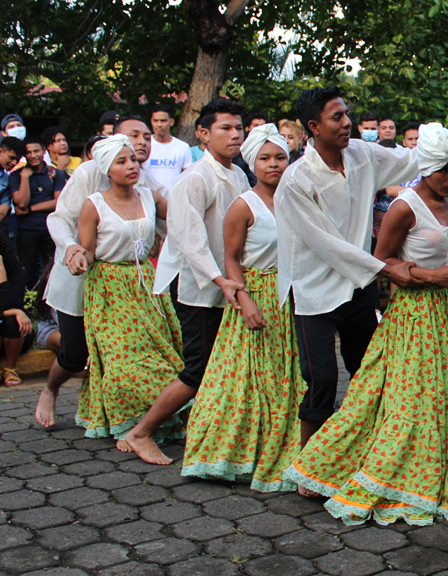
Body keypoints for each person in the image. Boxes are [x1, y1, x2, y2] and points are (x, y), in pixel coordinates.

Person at [286, 80, 448, 518]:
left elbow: (414, 160)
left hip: (361, 286)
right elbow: (326, 243)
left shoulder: (363, 156)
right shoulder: (297, 180)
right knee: (323, 378)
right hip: (317, 288)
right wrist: (402, 270)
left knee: (375, 380)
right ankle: (312, 466)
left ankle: (367, 453)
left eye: (347, 113)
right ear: (313, 127)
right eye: (337, 117)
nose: (347, 122)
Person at [120, 100, 249, 466]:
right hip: (197, 284)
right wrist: (222, 279)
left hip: (225, 281)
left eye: (239, 127)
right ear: (203, 135)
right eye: (226, 128)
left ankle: (212, 431)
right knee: (198, 366)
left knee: (220, 362)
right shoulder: (194, 178)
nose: (235, 134)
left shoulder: (237, 175)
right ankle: (141, 432)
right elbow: (191, 241)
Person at [182, 124, 306, 492]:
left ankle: (288, 445)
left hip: (292, 296)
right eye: (265, 158)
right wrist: (243, 299)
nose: (274, 165)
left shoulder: (297, 200)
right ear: (252, 162)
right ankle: (235, 451)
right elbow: (230, 259)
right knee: (247, 378)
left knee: (288, 377)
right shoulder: (242, 205)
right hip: (255, 294)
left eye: (280, 157)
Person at [35, 115, 169, 430]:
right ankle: (50, 389)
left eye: (147, 137)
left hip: (128, 286)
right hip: (80, 276)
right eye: (134, 135)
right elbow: (59, 219)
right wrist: (71, 249)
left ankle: (125, 417)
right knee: (74, 353)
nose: (142, 142)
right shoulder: (88, 173)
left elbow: (174, 213)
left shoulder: (145, 182)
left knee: (125, 352)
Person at [67, 135, 178, 448]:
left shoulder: (149, 196)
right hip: (109, 288)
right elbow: (87, 251)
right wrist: (77, 257)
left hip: (146, 284)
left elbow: (184, 216)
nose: (132, 166)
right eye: (122, 161)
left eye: (133, 159)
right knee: (122, 359)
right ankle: (131, 425)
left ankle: (147, 422)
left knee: (156, 353)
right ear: (107, 169)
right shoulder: (94, 204)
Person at [12, 136, 67, 282]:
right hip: (26, 230)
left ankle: (48, 304)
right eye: (28, 152)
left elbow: (57, 202)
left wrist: (30, 209)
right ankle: (29, 301)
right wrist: (25, 178)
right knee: (27, 269)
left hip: (50, 228)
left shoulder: (55, 174)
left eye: (36, 151)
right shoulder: (16, 176)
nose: (33, 155)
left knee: (52, 269)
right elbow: (21, 203)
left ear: (44, 151)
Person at [0, 235, 31, 387]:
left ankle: (10, 369)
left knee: (13, 321)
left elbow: (11, 304)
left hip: (12, 334)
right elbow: (12, 310)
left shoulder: (16, 272)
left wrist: (1, 274)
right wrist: (13, 312)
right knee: (13, 315)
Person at [145, 103, 194, 194]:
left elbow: (187, 177)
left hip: (174, 199)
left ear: (171, 122)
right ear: (151, 121)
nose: (159, 125)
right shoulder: (144, 145)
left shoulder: (182, 147)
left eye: (163, 121)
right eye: (156, 121)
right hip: (148, 199)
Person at [0, 138, 26, 247]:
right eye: (11, 158)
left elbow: (5, 201)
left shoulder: (7, 178)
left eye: (17, 159)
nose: (14, 163)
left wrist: (5, 206)